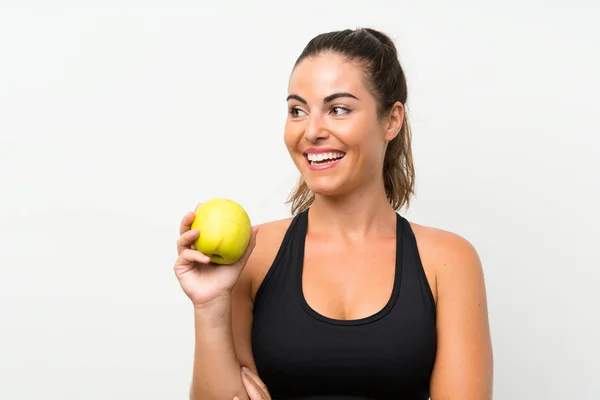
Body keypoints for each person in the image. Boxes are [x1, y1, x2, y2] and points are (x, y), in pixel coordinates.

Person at [174, 27, 493, 400]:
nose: (311, 131)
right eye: (297, 110)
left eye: (338, 109)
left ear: (391, 120)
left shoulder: (448, 261)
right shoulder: (253, 255)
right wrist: (210, 305)